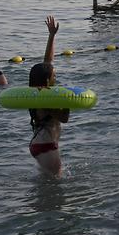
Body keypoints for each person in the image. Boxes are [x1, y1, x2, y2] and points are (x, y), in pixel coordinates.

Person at [28, 16, 70, 177]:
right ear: (47, 80)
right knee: (54, 188)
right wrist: (68, 100)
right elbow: (64, 118)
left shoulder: (37, 92)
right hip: (46, 145)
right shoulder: (45, 100)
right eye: (54, 76)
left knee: (46, 185)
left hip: (41, 142)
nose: (56, 76)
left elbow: (47, 62)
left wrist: (52, 35)